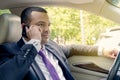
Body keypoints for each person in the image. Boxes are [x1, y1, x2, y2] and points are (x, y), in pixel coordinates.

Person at [0, 7, 118, 80]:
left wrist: (102, 51)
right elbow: (7, 76)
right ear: (25, 28)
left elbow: (71, 48)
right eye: (41, 24)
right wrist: (33, 43)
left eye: (48, 25)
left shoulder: (50, 45)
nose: (47, 30)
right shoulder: (8, 51)